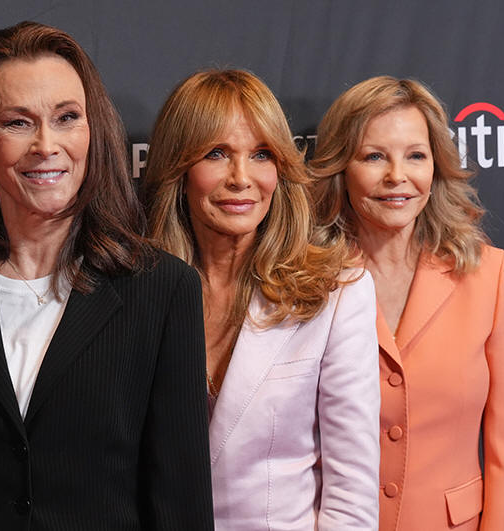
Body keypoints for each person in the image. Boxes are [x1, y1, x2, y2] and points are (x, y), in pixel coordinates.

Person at [0, 21, 213, 531]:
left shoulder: (163, 289)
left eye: (66, 118)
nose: (46, 145)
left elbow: (180, 502)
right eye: (18, 123)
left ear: (92, 132)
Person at [143, 69, 380, 530]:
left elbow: (351, 495)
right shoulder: (136, 292)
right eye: (216, 154)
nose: (241, 178)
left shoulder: (336, 293)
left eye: (261, 155)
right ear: (178, 168)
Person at [309, 76, 504, 530]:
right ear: (341, 168)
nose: (397, 176)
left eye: (415, 155)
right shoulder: (306, 279)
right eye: (374, 156)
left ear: (436, 165)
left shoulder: (490, 274)